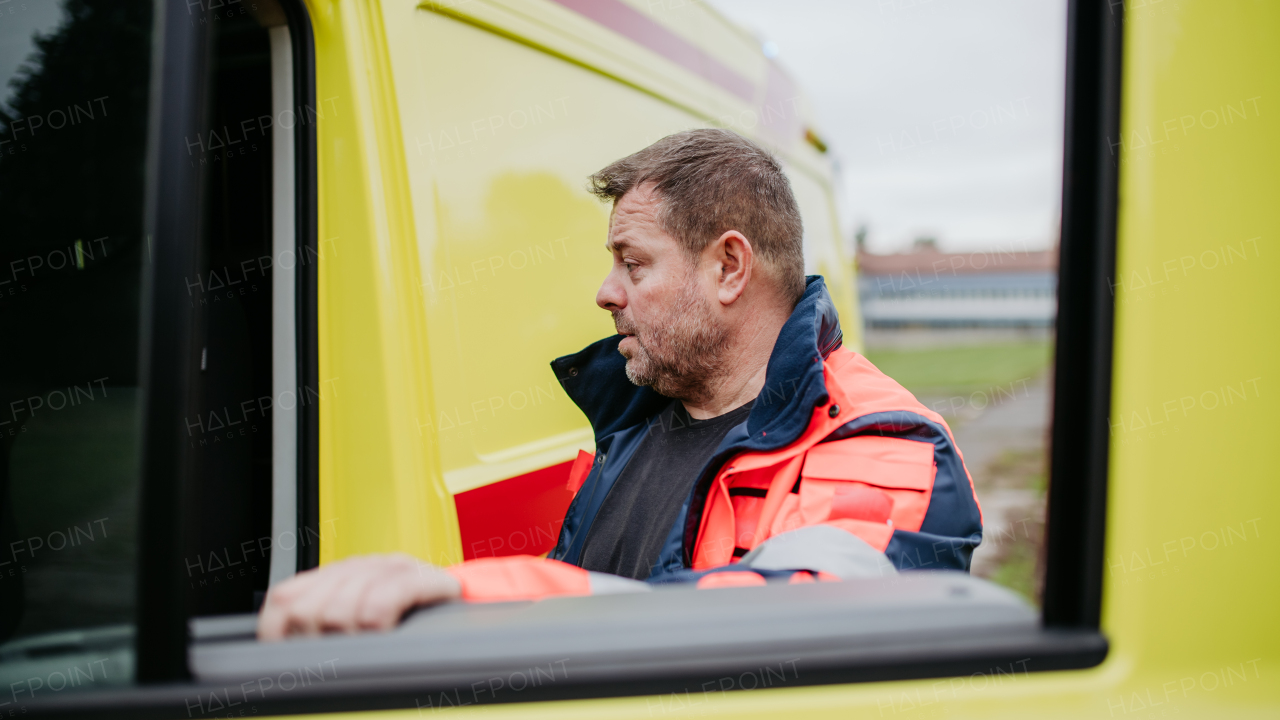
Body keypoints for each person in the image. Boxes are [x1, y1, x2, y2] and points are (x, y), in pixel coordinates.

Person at [257, 129, 983, 641]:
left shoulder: (882, 441)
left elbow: (810, 621)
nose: (605, 294)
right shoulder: (640, 415)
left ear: (729, 267)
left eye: (633, 263)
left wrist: (469, 596)